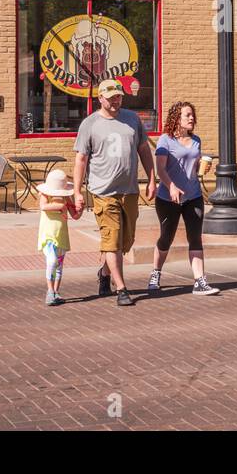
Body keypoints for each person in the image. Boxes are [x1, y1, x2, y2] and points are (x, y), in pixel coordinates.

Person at [72, 78, 157, 307]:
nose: (115, 101)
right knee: (112, 241)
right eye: (110, 98)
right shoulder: (89, 124)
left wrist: (151, 179)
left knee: (125, 241)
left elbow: (144, 151)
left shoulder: (132, 119)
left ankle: (105, 273)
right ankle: (121, 288)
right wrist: (77, 192)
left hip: (129, 191)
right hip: (103, 192)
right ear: (100, 98)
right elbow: (81, 159)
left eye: (118, 96)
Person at [148, 101, 219, 296]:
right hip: (168, 198)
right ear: (176, 119)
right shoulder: (165, 140)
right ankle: (156, 272)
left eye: (192, 115)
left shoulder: (196, 140)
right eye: (187, 115)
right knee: (166, 238)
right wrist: (171, 186)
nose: (191, 118)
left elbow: (193, 167)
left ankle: (199, 282)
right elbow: (161, 168)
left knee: (195, 237)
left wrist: (201, 167)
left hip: (193, 196)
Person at [36, 169, 81, 306]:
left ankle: (56, 291)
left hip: (61, 235)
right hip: (49, 236)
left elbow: (75, 215)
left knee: (59, 265)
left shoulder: (66, 197)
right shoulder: (46, 195)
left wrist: (80, 207)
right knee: (52, 260)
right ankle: (49, 290)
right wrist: (61, 206)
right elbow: (43, 206)